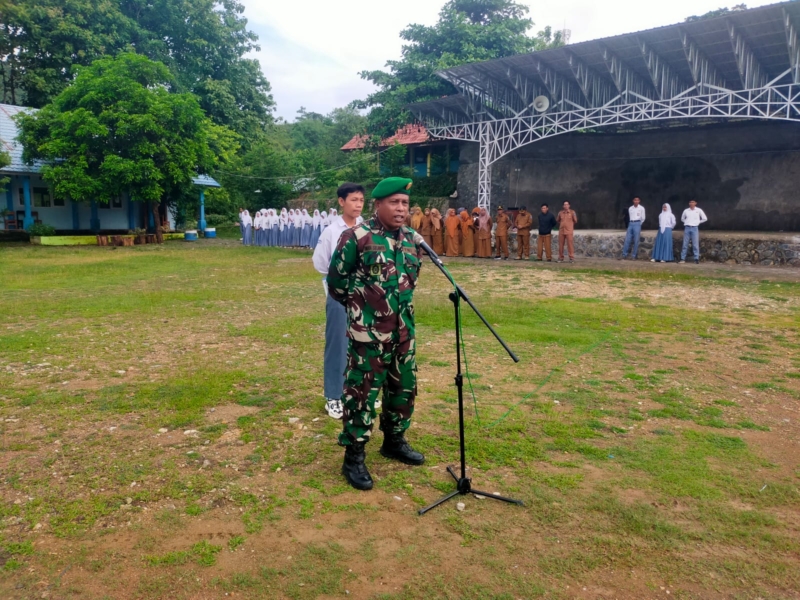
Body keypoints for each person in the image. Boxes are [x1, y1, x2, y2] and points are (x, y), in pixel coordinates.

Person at [328, 177, 425, 491]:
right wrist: (363, 312)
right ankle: (354, 455)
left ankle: (394, 440)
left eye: (405, 204)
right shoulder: (356, 237)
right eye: (394, 203)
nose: (401, 209)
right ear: (378, 205)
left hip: (403, 332)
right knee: (362, 395)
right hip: (367, 335)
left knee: (403, 388)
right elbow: (337, 285)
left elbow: (410, 282)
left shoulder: (412, 239)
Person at [313, 183, 365, 420]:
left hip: (366, 294)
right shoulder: (332, 231)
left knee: (364, 343)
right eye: (353, 200)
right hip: (339, 293)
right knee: (337, 344)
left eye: (361, 200)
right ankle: (334, 396)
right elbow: (321, 263)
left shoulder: (368, 228)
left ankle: (358, 392)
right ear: (341, 202)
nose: (358, 204)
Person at [680, 199, 708, 264]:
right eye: (690, 202)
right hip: (687, 227)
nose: (691, 203)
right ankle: (682, 258)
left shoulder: (698, 210)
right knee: (685, 243)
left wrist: (698, 222)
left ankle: (696, 258)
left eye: (693, 202)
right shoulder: (686, 211)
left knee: (695, 244)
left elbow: (705, 218)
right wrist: (687, 222)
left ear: (695, 203)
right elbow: (682, 218)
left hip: (694, 228)